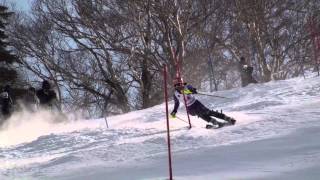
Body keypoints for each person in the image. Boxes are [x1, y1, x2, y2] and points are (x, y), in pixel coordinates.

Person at [170, 78, 236, 128]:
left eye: (181, 84)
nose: (181, 85)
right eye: (178, 84)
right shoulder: (175, 94)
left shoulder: (186, 87)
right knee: (200, 113)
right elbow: (177, 103)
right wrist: (174, 111)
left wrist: (193, 90)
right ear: (175, 86)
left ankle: (227, 119)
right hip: (189, 108)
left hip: (196, 103)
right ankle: (216, 122)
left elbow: (192, 89)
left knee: (207, 112)